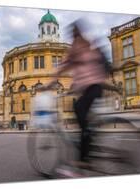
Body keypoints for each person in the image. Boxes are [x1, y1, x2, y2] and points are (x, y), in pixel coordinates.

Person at [47, 22, 108, 168]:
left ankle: (84, 158)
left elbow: (63, 66)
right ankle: (90, 140)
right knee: (86, 116)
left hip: (90, 86)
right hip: (96, 85)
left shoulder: (76, 48)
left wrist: (50, 83)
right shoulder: (88, 44)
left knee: (80, 116)